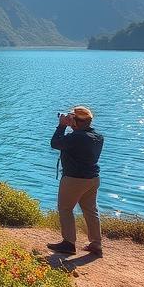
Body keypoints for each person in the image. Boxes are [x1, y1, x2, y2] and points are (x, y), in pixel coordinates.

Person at [48, 106, 104, 257]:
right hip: (92, 179)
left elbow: (55, 143)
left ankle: (69, 243)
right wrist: (72, 124)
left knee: (65, 209)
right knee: (91, 211)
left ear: (76, 121)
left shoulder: (76, 137)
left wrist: (61, 125)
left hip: (74, 179)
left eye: (72, 117)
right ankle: (96, 244)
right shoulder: (97, 136)